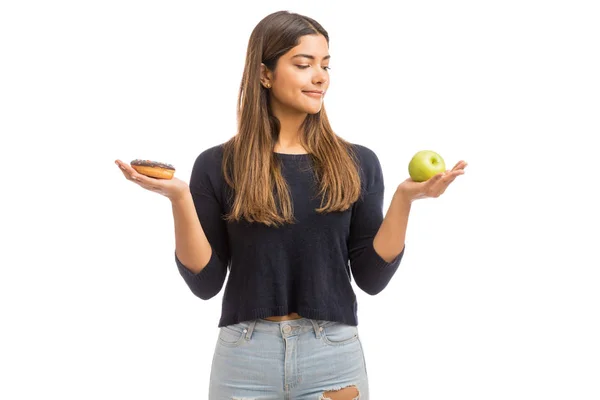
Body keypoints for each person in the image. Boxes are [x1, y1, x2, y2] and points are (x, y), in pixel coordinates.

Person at [116, 10, 467, 400]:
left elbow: (371, 277)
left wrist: (405, 199)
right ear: (265, 74)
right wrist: (179, 198)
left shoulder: (357, 163)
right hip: (244, 358)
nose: (320, 77)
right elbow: (206, 282)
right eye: (303, 64)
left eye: (325, 65)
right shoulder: (217, 165)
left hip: (332, 357)